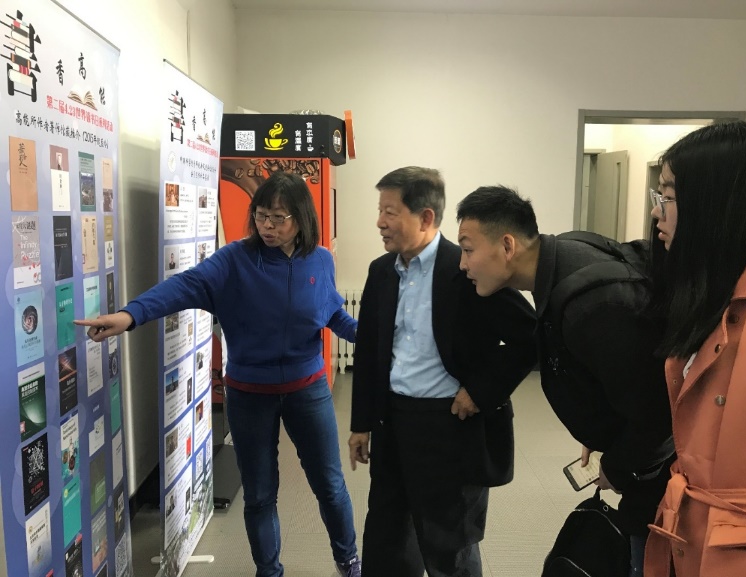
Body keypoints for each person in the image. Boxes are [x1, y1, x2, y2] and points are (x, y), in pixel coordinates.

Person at [75, 171, 362, 577]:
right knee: (260, 494)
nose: (267, 226)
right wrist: (130, 315)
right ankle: (268, 571)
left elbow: (330, 311)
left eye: (278, 217)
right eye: (261, 215)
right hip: (249, 394)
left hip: (308, 390)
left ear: (301, 219)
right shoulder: (234, 260)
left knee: (330, 485)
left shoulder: (320, 260)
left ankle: (348, 560)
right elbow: (181, 287)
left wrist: (372, 337)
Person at [455, 186, 675, 577]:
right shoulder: (565, 257)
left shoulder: (592, 305)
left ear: (507, 245)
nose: (462, 264)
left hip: (661, 487)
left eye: (468, 249)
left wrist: (618, 466)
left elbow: (660, 417)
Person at [348, 166, 537, 577]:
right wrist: (361, 424)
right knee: (386, 539)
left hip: (449, 426)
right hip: (393, 423)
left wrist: (481, 391)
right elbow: (369, 352)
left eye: (390, 212)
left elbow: (530, 336)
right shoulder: (381, 272)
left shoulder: (467, 268)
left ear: (426, 217)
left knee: (449, 547)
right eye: (380, 211)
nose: (380, 222)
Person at [643, 121, 746, 577]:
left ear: (717, 204)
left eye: (668, 197)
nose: (656, 213)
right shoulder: (713, 293)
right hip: (695, 538)